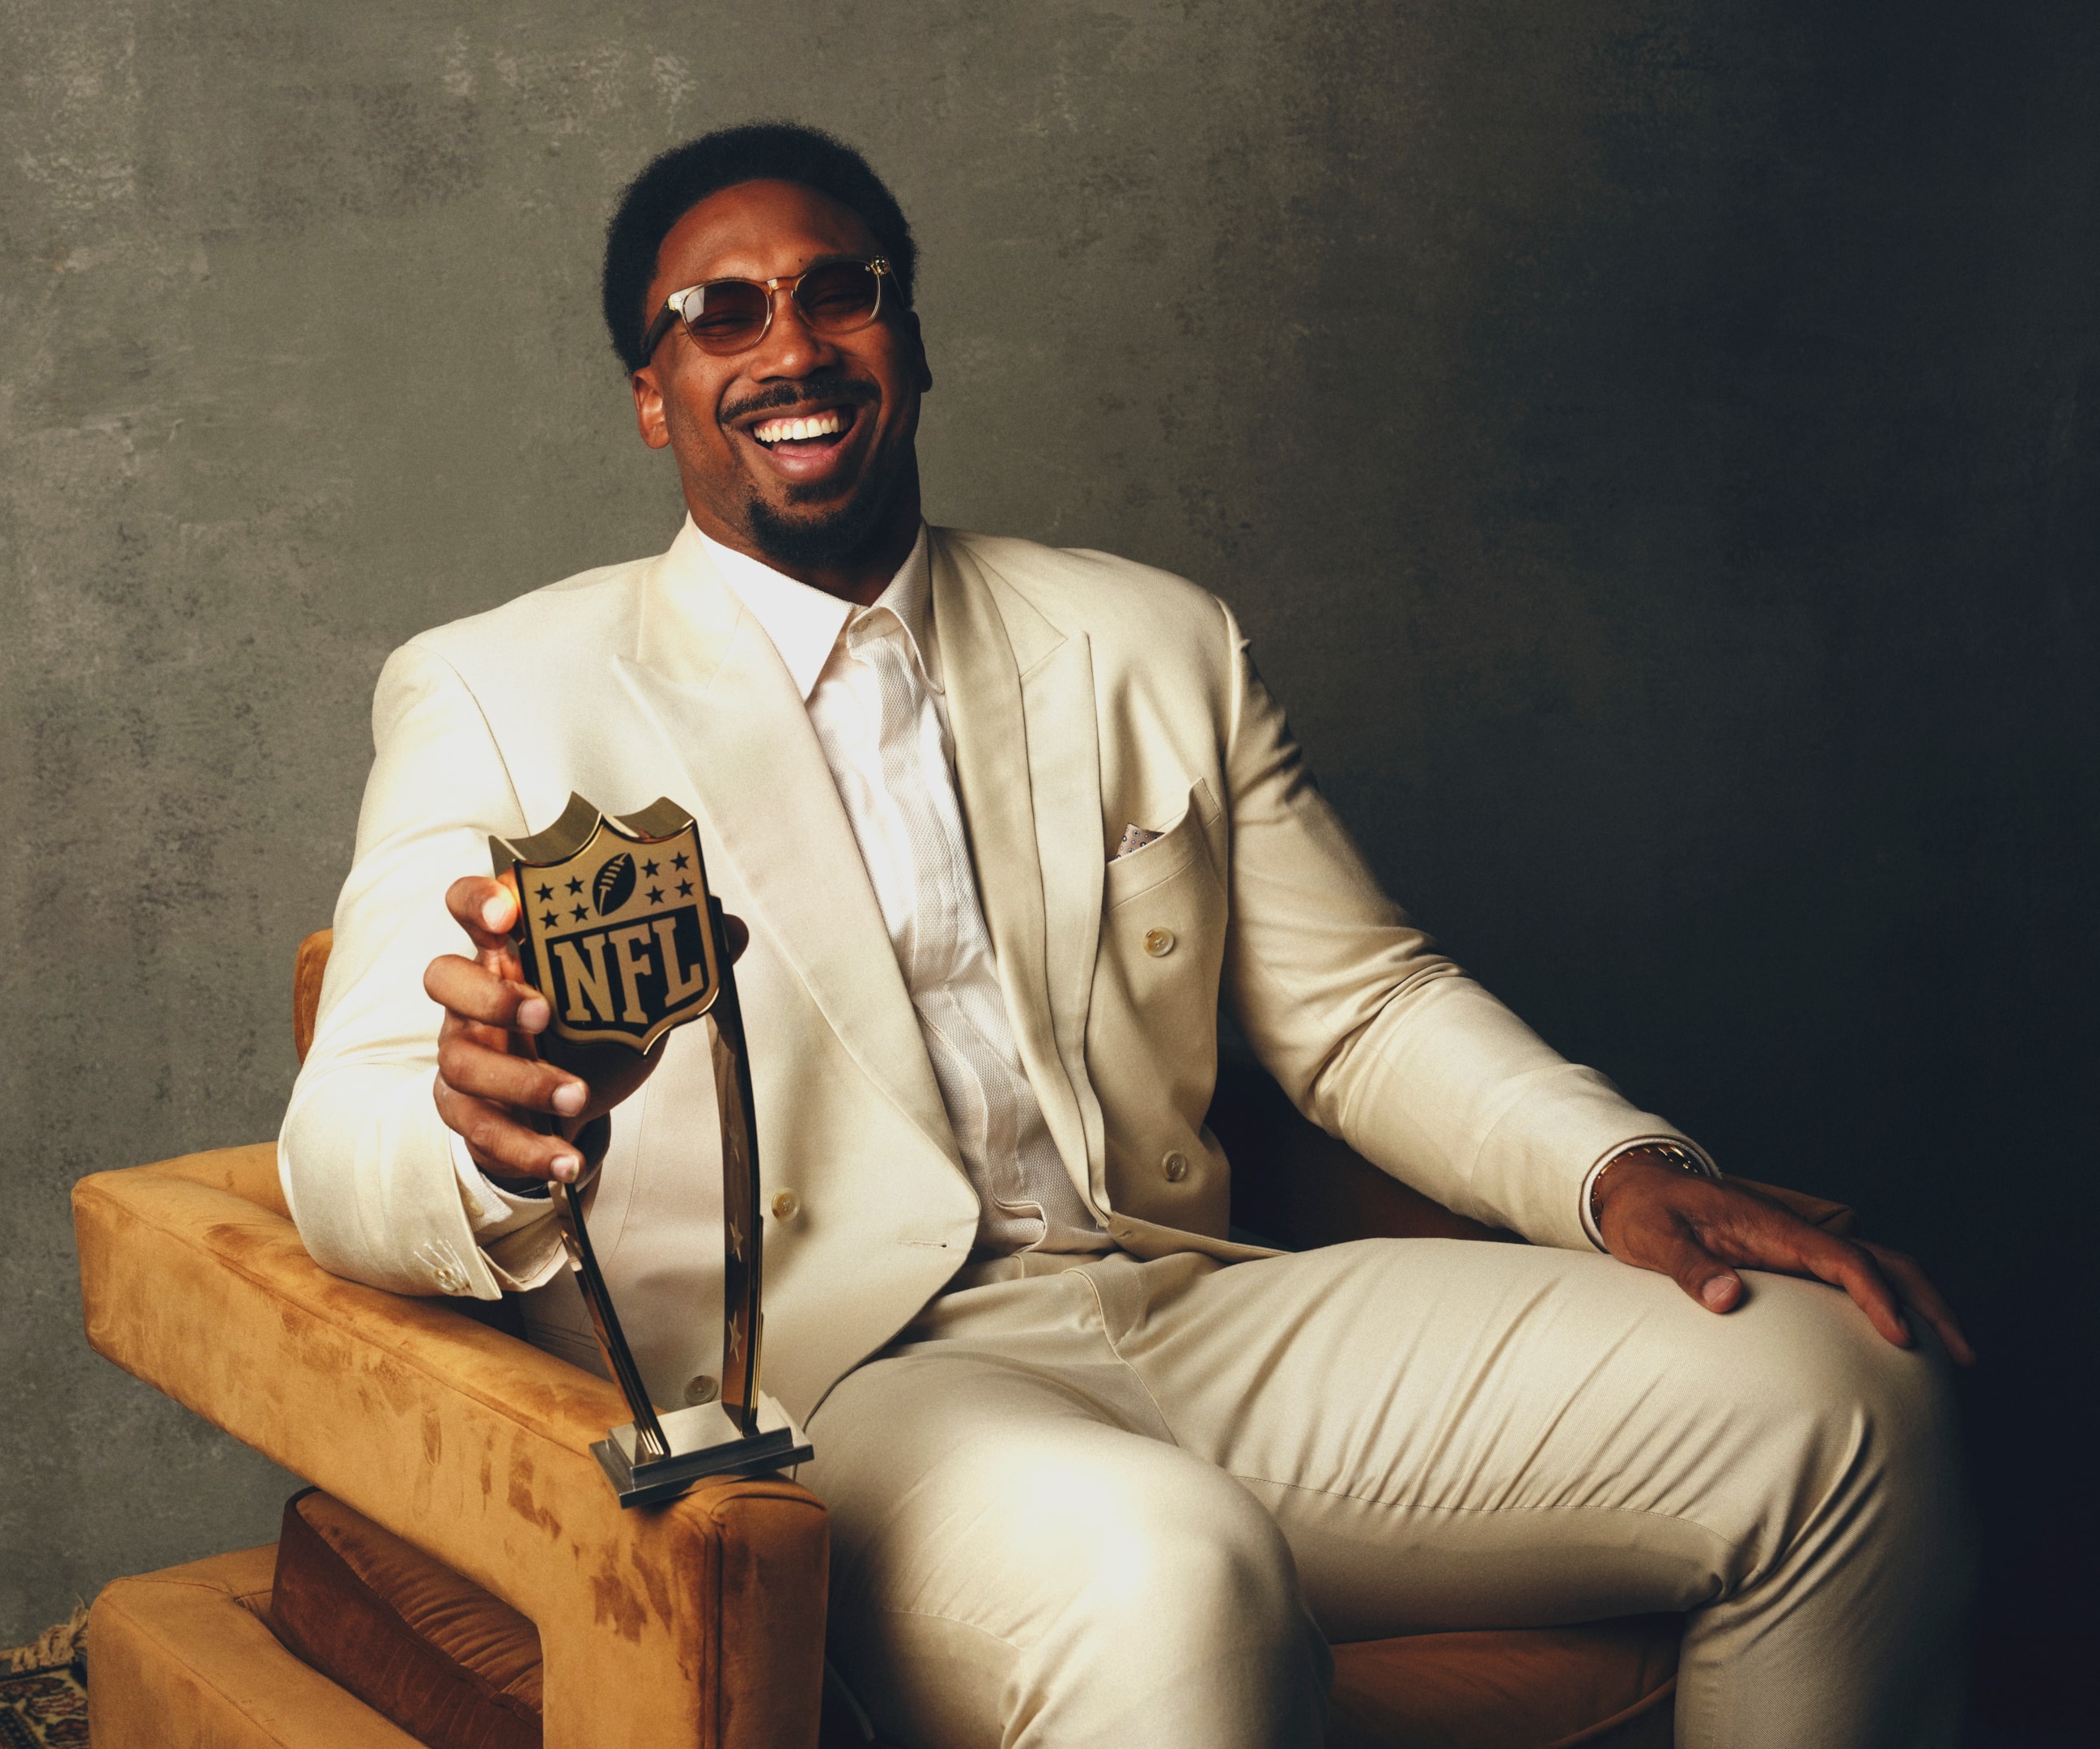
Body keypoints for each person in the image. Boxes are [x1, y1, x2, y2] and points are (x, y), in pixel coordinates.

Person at [279, 122, 1972, 1748]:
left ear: (913, 340)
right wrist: (480, 1131)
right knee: (1177, 1579)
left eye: (838, 290)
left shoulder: (1150, 634)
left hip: (1178, 1298)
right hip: (841, 1397)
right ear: (655, 398)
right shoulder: (502, 690)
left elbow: (1362, 1007)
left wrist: (1614, 1169)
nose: (788, 344)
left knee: (1847, 1398)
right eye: (720, 314)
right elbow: (338, 1143)